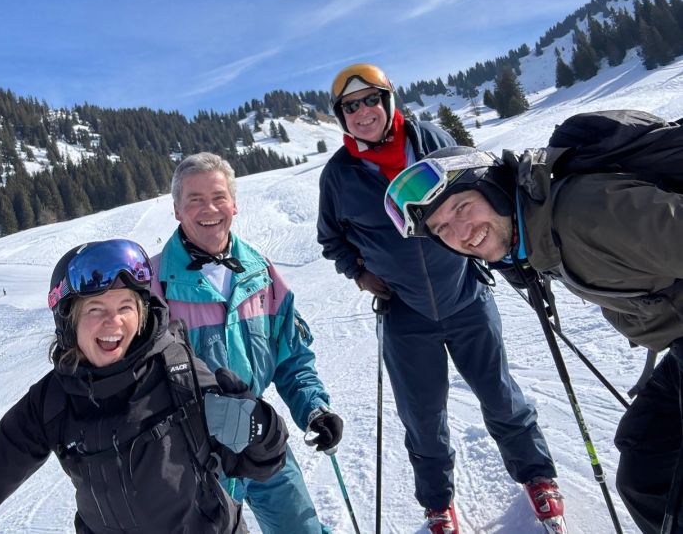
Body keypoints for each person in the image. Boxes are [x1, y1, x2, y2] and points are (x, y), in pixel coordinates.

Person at [386, 143, 683, 534]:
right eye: (441, 228)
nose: (462, 234)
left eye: (462, 207)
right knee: (645, 459)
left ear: (492, 188)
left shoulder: (585, 216)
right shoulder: (538, 234)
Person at [316, 64, 560, 533]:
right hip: (405, 314)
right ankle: (437, 502)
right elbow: (332, 239)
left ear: (389, 100)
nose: (363, 112)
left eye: (371, 99)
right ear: (341, 116)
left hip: (466, 296)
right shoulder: (339, 176)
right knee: (423, 418)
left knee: (501, 397)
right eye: (351, 106)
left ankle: (537, 476)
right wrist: (360, 273)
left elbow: (484, 190)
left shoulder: (431, 141)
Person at [0, 238, 288, 534]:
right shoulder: (53, 399)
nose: (113, 322)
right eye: (95, 309)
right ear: (69, 322)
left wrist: (261, 430)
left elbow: (258, 463)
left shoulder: (179, 375)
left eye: (125, 307)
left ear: (142, 314)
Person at [151, 152, 342, 534]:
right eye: (195, 199)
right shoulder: (154, 285)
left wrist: (314, 409)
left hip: (260, 437)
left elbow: (292, 358)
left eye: (219, 197)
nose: (210, 209)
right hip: (194, 456)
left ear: (234, 204)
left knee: (302, 529)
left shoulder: (261, 273)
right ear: (176, 209)